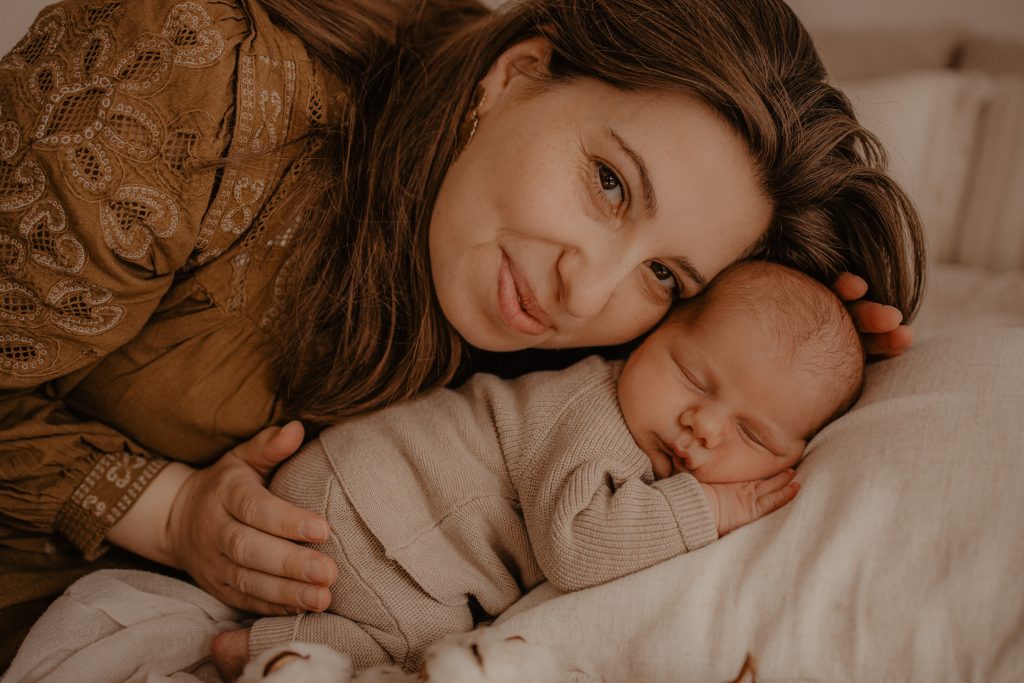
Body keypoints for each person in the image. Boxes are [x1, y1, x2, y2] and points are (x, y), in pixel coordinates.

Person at [0, 0, 923, 666]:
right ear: (516, 74)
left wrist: (784, 340)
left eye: (663, 274)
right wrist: (170, 513)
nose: (587, 288)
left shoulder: (581, 356)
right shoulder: (181, 80)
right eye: (608, 182)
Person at [211, 260, 865, 676]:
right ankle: (273, 649)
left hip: (382, 508)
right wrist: (712, 507)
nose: (706, 425)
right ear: (652, 336)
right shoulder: (594, 413)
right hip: (370, 504)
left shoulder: (646, 428)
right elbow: (577, 546)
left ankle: (263, 644)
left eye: (751, 432)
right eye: (692, 375)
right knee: (427, 639)